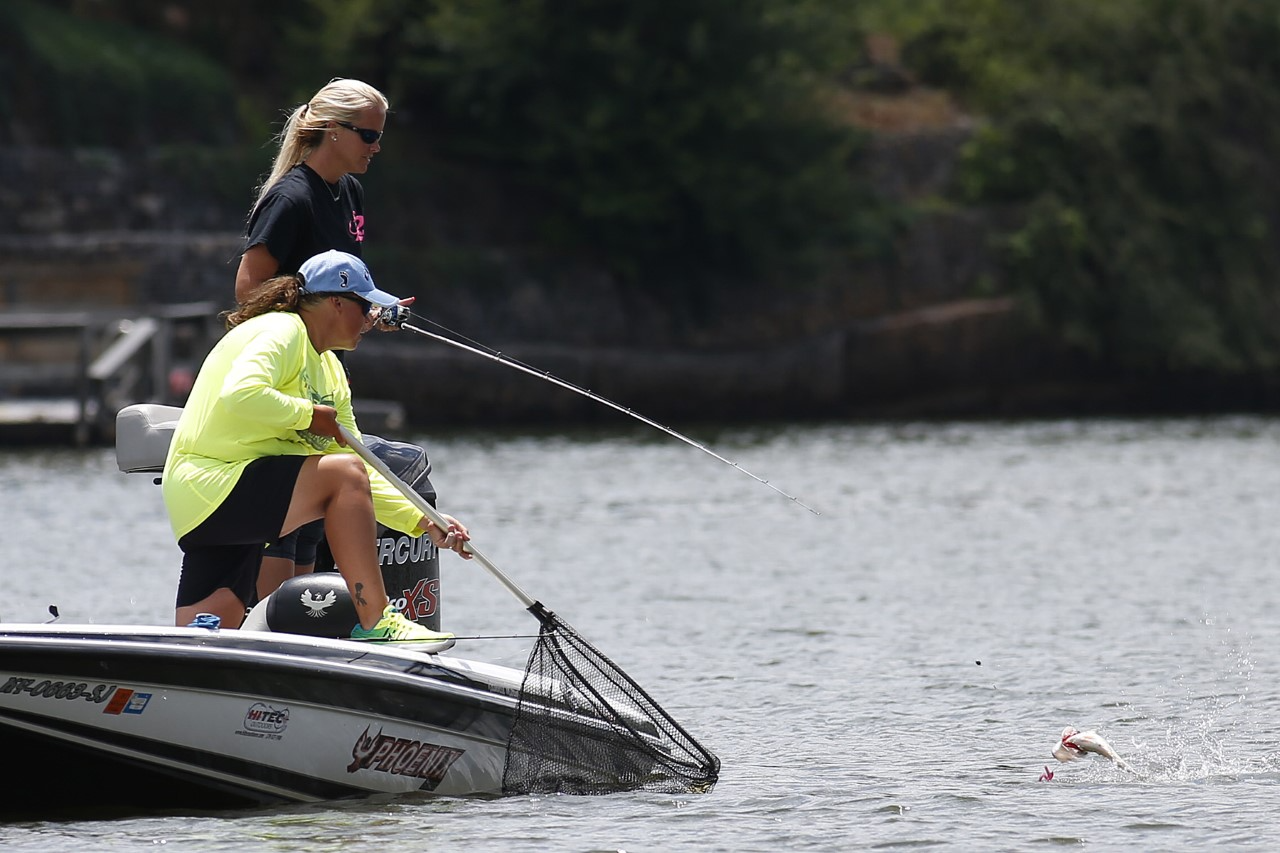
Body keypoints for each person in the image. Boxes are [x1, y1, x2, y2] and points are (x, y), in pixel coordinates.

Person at [162, 250, 471, 639]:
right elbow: (239, 394)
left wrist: (424, 522)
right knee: (342, 476)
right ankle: (376, 621)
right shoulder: (280, 331)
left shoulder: (330, 372)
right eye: (366, 307)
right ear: (336, 302)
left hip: (229, 508)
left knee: (204, 637)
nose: (371, 319)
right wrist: (308, 415)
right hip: (208, 484)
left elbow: (360, 465)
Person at [233, 78, 391, 600]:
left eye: (379, 136)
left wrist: (374, 308)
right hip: (289, 376)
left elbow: (342, 281)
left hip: (327, 375)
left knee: (313, 519)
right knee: (287, 515)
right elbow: (249, 286)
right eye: (367, 135)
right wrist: (301, 335)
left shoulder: (350, 192)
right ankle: (266, 634)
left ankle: (309, 634)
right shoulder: (290, 197)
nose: (375, 147)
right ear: (332, 130)